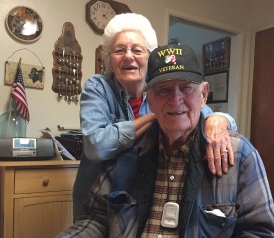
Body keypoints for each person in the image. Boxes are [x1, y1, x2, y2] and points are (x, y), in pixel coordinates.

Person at [0, 44, 274, 238]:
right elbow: (97, 221)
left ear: (204, 94)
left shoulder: (238, 154)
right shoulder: (127, 151)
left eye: (187, 89)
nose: (176, 100)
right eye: (164, 91)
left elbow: (260, 237)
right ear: (149, 100)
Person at [73, 13, 237, 220]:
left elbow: (199, 113)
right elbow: (97, 146)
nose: (129, 56)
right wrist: (155, 116)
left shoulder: (162, 90)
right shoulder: (98, 86)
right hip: (95, 199)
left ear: (150, 57)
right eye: (119, 50)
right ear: (109, 58)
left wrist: (218, 120)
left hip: (137, 197)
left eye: (137, 50)